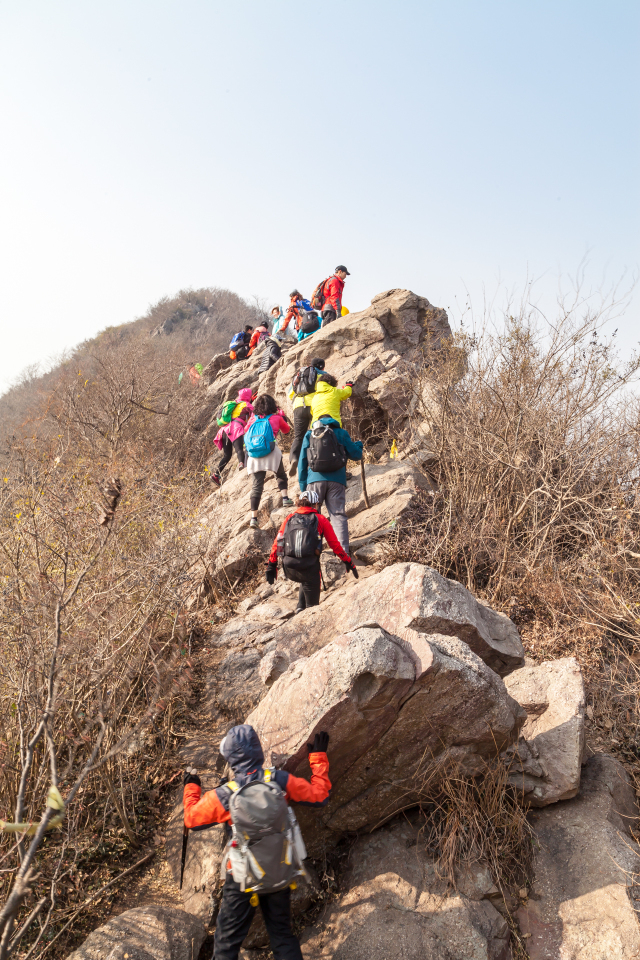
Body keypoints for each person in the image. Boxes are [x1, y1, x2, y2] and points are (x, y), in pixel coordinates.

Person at [183, 724, 331, 960]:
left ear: (231, 759)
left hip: (242, 878)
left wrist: (191, 786)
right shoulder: (279, 780)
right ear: (258, 752)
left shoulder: (226, 794)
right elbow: (320, 796)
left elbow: (191, 819)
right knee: (282, 935)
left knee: (226, 944)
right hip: (279, 869)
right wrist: (318, 757)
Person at [266, 490, 357, 614]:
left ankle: (299, 607)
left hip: (290, 568)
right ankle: (307, 613)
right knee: (312, 610)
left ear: (300, 504)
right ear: (316, 505)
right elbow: (335, 545)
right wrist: (348, 561)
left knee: (305, 578)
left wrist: (271, 565)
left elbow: (278, 542)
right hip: (309, 568)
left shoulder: (289, 518)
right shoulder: (320, 519)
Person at [298, 415, 363, 555]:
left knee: (312, 516)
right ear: (332, 420)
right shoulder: (340, 432)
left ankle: (312, 553)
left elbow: (302, 462)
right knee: (338, 515)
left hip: (314, 481)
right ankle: (342, 553)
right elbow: (356, 455)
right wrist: (359, 445)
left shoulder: (310, 434)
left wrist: (303, 488)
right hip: (337, 481)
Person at [245, 394, 293, 528]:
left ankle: (254, 518)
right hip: (271, 452)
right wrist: (282, 418)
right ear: (272, 405)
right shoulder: (276, 418)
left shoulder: (252, 419)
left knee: (257, 486)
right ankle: (285, 499)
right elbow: (287, 431)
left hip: (254, 455)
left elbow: (245, 432)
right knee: (280, 474)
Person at [287, 358, 325, 477]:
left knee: (299, 436)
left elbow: (290, 394)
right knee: (318, 432)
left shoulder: (300, 375)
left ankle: (294, 458)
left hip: (298, 406)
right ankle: (319, 460)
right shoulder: (321, 375)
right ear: (322, 367)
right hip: (315, 405)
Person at [211, 388, 255, 487]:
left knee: (227, 455)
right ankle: (241, 464)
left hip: (225, 429)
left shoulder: (235, 403)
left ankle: (216, 475)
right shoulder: (247, 405)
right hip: (235, 428)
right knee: (239, 449)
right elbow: (253, 415)